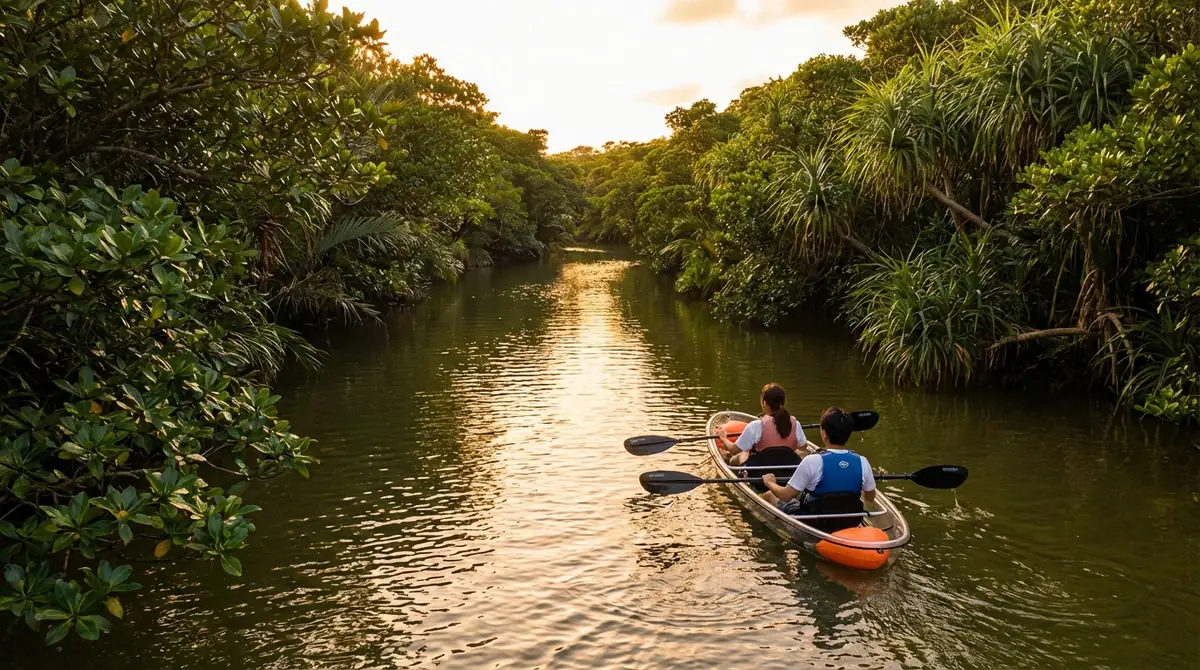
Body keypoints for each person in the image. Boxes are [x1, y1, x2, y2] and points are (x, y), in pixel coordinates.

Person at [760, 406, 876, 533]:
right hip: (850, 521)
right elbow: (870, 498)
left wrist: (770, 482)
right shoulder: (862, 461)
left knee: (770, 495)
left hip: (815, 523)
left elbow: (786, 496)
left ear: (824, 434)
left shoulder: (812, 461)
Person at [716, 383, 808, 483]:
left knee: (741, 455)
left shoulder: (756, 426)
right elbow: (803, 447)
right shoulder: (795, 424)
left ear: (764, 402)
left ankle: (731, 467)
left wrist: (724, 438)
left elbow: (734, 450)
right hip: (790, 476)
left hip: (761, 477)